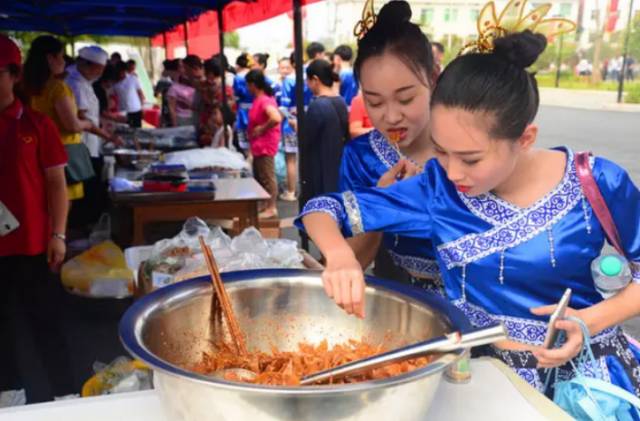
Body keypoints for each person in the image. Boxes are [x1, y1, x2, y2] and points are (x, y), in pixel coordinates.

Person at [298, 26, 640, 397]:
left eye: (471, 158)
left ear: (525, 138)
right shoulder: (437, 189)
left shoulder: (597, 180)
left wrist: (591, 319)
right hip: (484, 379)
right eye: (442, 151)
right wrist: (338, 255)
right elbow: (323, 209)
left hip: (589, 384)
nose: (452, 172)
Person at [338, 1, 441, 288]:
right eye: (375, 102)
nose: (392, 116)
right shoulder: (362, 157)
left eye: (406, 98)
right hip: (400, 306)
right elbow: (352, 261)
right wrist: (380, 206)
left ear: (433, 78)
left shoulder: (471, 149)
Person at [0, 34, 74, 402]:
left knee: (45, 322)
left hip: (32, 243)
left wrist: (58, 234)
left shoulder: (37, 126)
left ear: (13, 76)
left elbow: (56, 185)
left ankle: (65, 397)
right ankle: (9, 397)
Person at [23, 35, 95, 201]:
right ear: (50, 58)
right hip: (62, 154)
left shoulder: (28, 85)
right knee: (61, 203)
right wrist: (87, 124)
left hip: (35, 150)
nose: (64, 62)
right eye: (61, 56)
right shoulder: (58, 88)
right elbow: (72, 125)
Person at [300, 59, 349, 206]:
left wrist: (299, 127)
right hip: (338, 166)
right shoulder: (340, 101)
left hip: (319, 168)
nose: (308, 85)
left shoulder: (317, 105)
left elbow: (307, 139)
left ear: (315, 80)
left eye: (308, 81)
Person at [246, 69, 282, 219]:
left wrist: (261, 129)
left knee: (267, 176)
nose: (247, 88)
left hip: (265, 144)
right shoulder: (259, 99)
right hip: (259, 145)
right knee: (261, 176)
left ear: (253, 85)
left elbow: (275, 117)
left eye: (248, 85)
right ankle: (265, 204)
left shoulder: (265, 100)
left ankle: (271, 207)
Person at [274, 57, 298, 201]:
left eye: (286, 67)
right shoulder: (308, 78)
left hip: (290, 124)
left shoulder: (288, 81)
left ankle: (291, 191)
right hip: (308, 121)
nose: (284, 70)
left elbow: (283, 107)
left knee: (291, 160)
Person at [233, 53, 254, 155]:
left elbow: (236, 95)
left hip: (242, 110)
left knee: (244, 141)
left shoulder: (238, 78)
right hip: (255, 108)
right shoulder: (254, 75)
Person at [113, 61, 144, 128]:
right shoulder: (114, 83)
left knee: (137, 131)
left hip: (136, 110)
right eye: (119, 73)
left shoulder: (133, 78)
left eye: (122, 72)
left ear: (125, 71)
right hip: (122, 111)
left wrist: (142, 108)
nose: (121, 74)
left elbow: (140, 93)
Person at [155, 59, 181, 127]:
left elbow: (156, 94)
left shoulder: (163, 80)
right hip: (171, 116)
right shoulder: (178, 81)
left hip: (169, 115)